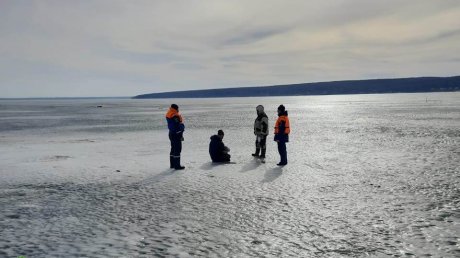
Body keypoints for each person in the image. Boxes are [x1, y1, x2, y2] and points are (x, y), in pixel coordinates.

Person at [165, 104, 185, 170]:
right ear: (176, 108)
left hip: (171, 133)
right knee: (177, 149)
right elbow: (177, 125)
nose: (178, 109)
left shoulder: (169, 113)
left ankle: (172, 164)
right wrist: (181, 130)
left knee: (173, 148)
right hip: (176, 134)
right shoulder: (175, 115)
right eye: (178, 108)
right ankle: (177, 166)